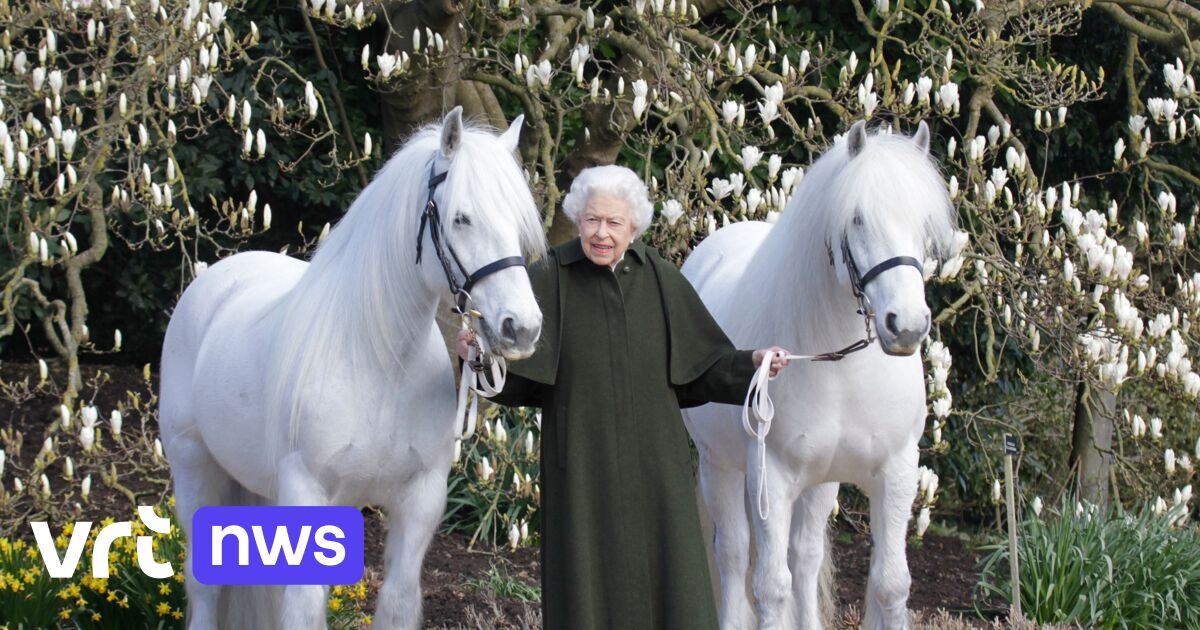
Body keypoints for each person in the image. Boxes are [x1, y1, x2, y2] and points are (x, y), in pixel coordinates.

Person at [456, 164, 790, 630]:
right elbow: (521, 379)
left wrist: (753, 364)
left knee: (671, 585)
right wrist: (479, 359)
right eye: (592, 220)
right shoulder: (549, 276)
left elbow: (702, 369)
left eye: (613, 223)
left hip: (658, 473)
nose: (601, 234)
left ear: (633, 227)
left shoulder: (660, 278)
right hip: (581, 472)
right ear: (577, 219)